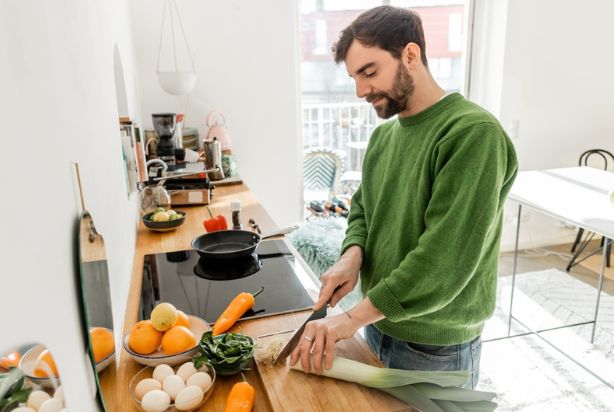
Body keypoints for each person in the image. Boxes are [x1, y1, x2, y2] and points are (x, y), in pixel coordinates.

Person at [290, 5, 518, 389]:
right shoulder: (384, 136)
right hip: (377, 321)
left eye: (370, 72)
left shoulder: (472, 134)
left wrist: (348, 320)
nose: (361, 90)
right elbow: (363, 208)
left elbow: (442, 262)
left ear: (410, 55)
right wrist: (352, 256)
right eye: (354, 77)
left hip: (434, 345)